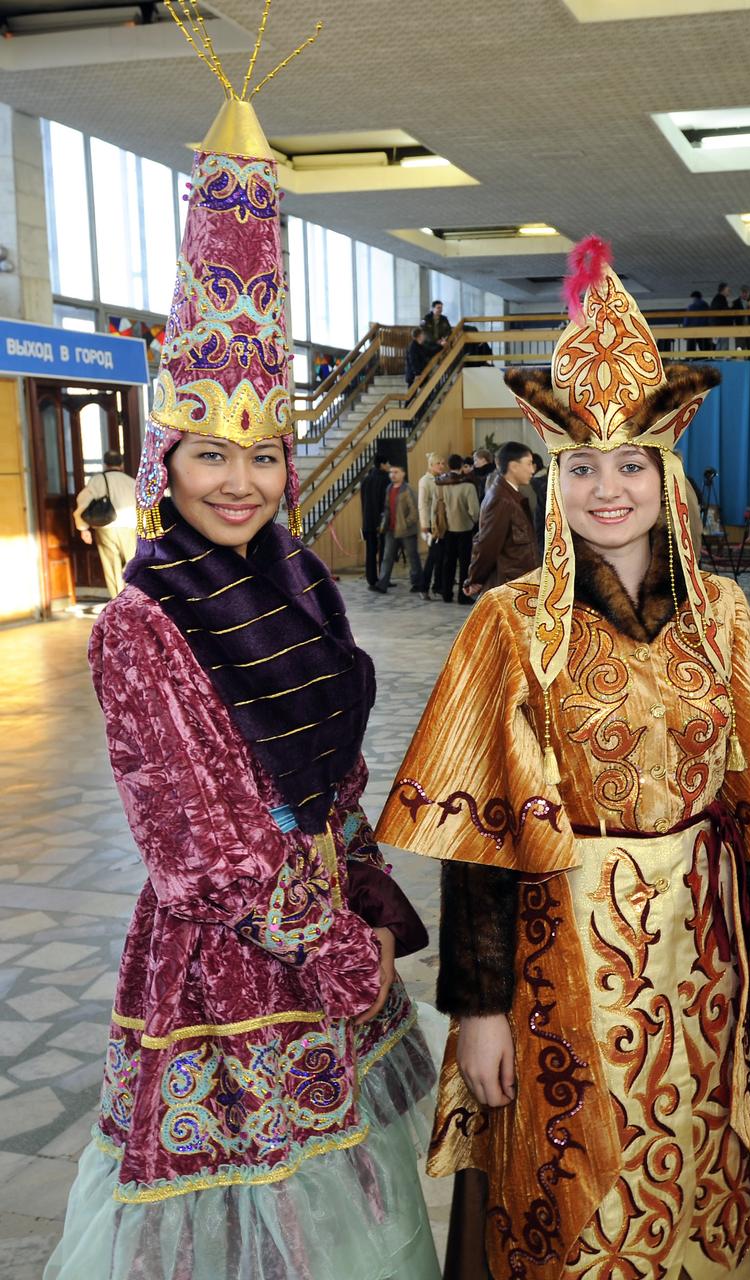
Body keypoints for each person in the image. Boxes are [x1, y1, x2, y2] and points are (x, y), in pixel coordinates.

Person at [44, 43, 439, 1280]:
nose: (241, 481)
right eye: (212, 456)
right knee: (248, 1225)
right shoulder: (141, 622)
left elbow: (333, 776)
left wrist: (367, 900)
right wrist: (328, 944)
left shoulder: (302, 577)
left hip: (330, 928)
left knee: (352, 1212)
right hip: (229, 966)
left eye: (264, 454)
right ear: (166, 460)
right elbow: (198, 846)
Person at [375, 241, 750, 1279]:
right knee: (571, 1207)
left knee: (707, 1187)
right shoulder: (507, 623)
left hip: (707, 960)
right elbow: (476, 834)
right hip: (556, 960)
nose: (608, 488)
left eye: (630, 462)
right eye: (582, 465)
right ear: (551, 473)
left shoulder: (725, 617)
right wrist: (476, 1007)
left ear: (666, 468)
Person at [465, 440, 538, 594]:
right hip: (509, 586)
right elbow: (487, 545)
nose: (532, 470)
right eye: (529, 464)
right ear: (513, 466)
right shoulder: (501, 500)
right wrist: (475, 579)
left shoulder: (512, 495)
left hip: (520, 583)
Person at [73, 448, 137, 598]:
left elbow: (82, 503)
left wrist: (83, 528)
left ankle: (118, 602)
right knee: (133, 565)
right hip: (129, 528)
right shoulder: (131, 482)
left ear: (105, 464)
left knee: (112, 566)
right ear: (121, 464)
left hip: (106, 528)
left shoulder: (97, 480)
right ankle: (134, 600)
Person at [435, 454, 480, 603]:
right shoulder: (468, 486)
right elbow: (474, 511)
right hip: (465, 529)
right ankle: (463, 595)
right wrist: (474, 521)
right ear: (461, 466)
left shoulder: (441, 484)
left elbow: (436, 507)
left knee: (448, 562)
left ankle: (446, 593)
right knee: (465, 564)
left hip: (447, 529)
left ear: (449, 466)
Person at [373, 463, 421, 594]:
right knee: (387, 557)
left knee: (412, 557)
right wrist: (384, 524)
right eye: (391, 472)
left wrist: (405, 523)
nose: (392, 475)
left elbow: (414, 511)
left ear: (403, 474)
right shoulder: (389, 488)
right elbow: (387, 508)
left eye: (396, 472)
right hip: (391, 530)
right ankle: (382, 584)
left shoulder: (408, 489)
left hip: (406, 531)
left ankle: (417, 583)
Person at [416, 451, 448, 599]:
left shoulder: (442, 479)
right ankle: (424, 587)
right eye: (438, 463)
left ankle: (439, 586)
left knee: (442, 556)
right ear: (431, 465)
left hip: (442, 523)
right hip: (430, 524)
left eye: (443, 463)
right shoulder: (425, 481)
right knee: (433, 557)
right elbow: (422, 505)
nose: (442, 466)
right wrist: (424, 525)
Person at [358, 452, 390, 587]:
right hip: (381, 521)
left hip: (368, 521)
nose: (389, 466)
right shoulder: (385, 480)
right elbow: (386, 503)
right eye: (387, 463)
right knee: (384, 551)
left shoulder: (366, 480)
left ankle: (371, 579)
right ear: (382, 465)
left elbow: (363, 501)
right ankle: (383, 578)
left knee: (370, 552)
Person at [683, 288, 713, 352]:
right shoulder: (706, 306)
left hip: (692, 330)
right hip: (704, 330)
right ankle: (705, 359)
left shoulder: (691, 307)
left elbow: (687, 320)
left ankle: (690, 359)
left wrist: (685, 330)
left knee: (691, 348)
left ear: (694, 298)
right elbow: (709, 319)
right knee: (704, 348)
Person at [710, 280, 732, 350]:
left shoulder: (717, 298)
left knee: (719, 343)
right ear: (723, 290)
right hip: (721, 325)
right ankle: (722, 359)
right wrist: (730, 307)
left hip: (717, 325)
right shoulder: (721, 298)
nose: (729, 291)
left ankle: (719, 358)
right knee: (723, 343)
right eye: (727, 290)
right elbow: (724, 311)